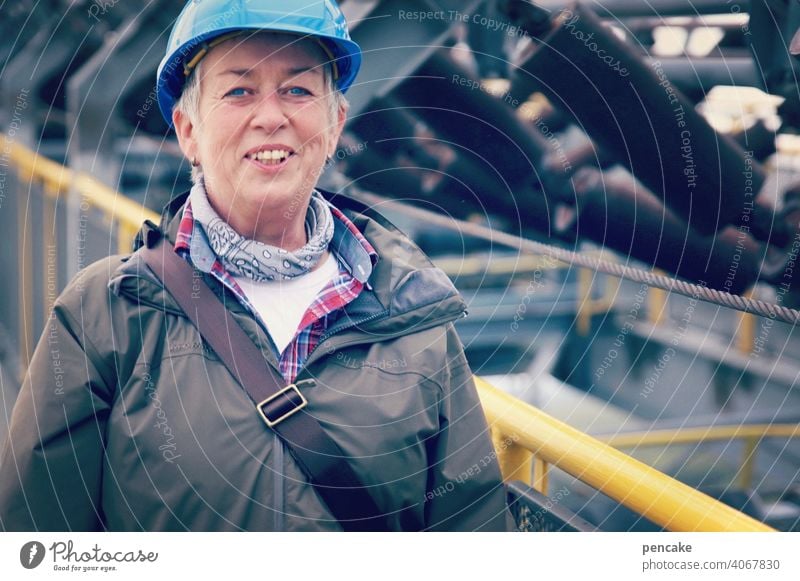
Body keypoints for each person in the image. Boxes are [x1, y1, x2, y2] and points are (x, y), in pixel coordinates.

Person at [0, 0, 509, 531]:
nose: (271, 116)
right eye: (239, 90)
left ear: (335, 124)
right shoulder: (106, 311)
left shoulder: (414, 318)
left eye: (298, 89)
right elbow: (36, 541)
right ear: (188, 130)